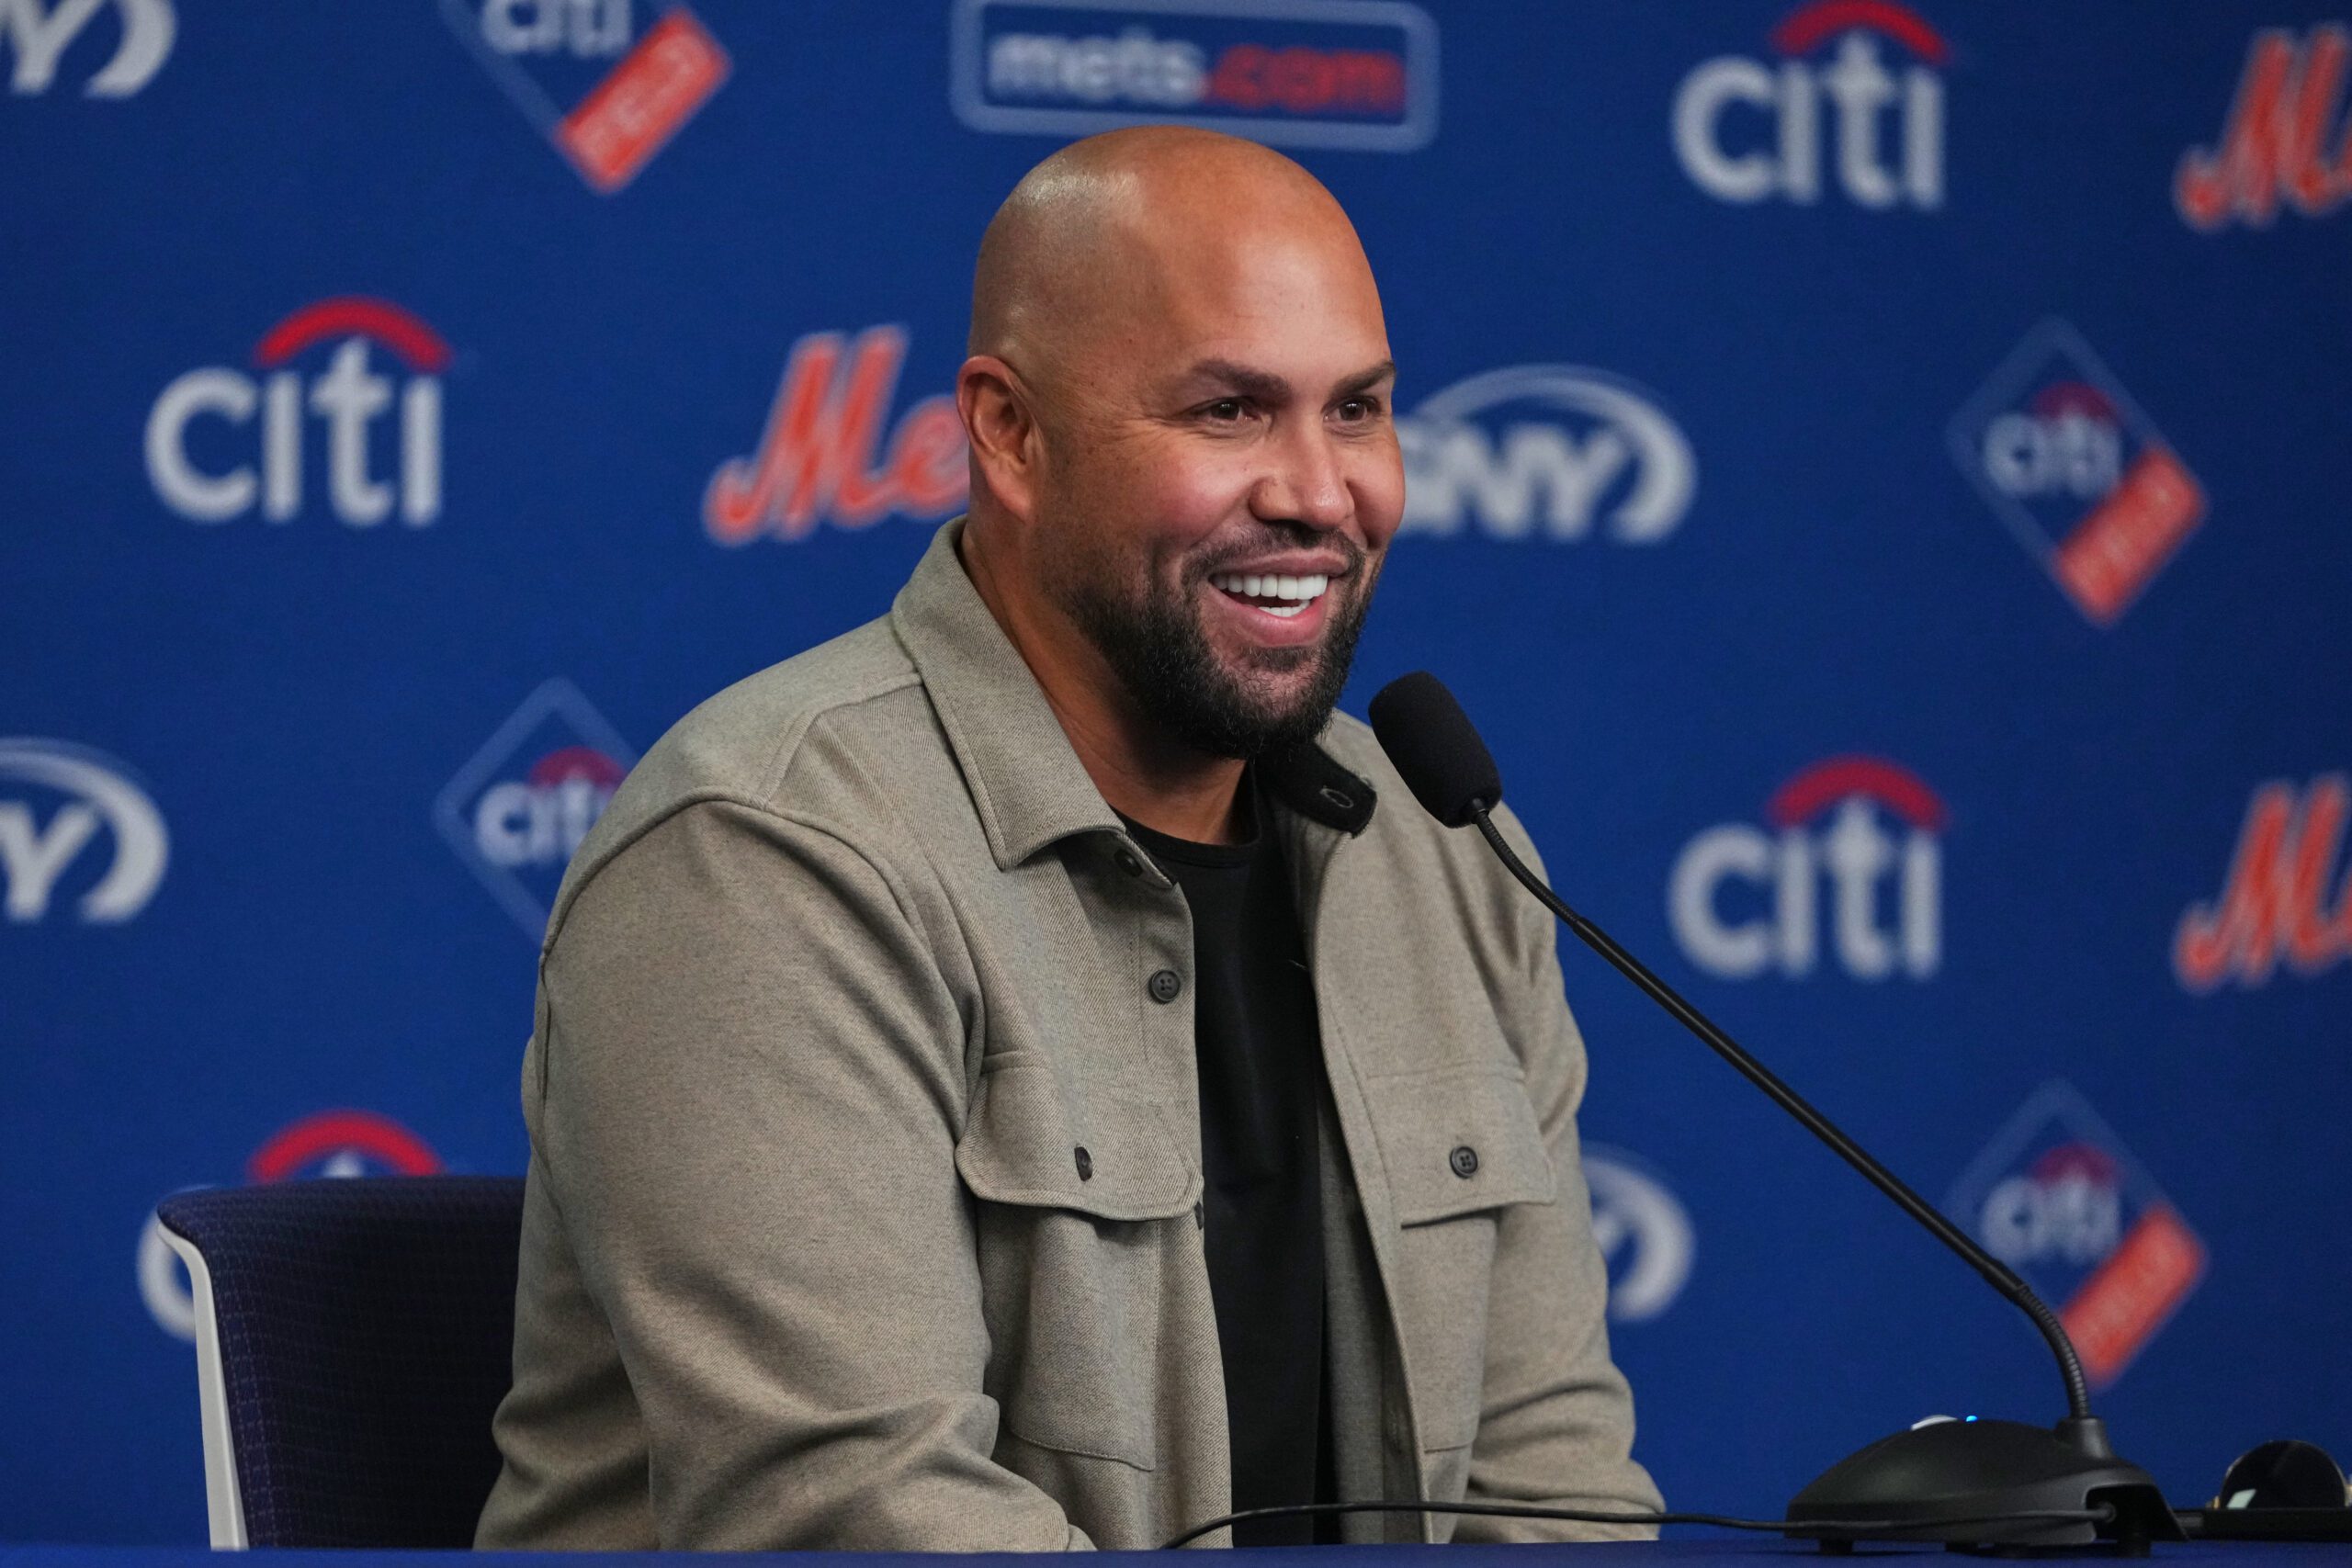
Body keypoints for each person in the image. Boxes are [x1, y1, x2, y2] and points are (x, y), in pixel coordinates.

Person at [475, 125, 1660, 1552]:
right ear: (1009, 433)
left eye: (1357, 410)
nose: (1319, 493)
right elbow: (857, 1521)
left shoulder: (1442, 845)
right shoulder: (768, 853)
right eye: (1229, 412)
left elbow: (1554, 1491)